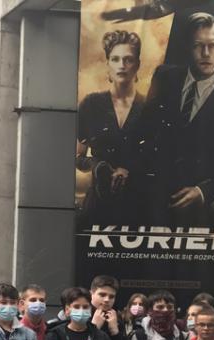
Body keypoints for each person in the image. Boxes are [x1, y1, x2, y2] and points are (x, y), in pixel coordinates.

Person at [135, 12, 214, 220]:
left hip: (193, 208)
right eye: (198, 45)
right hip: (146, 195)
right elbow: (141, 128)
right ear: (188, 46)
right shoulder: (164, 77)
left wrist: (204, 191)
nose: (206, 53)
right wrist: (125, 165)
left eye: (213, 46)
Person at [76, 30, 144, 221]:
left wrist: (130, 171)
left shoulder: (150, 108)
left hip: (139, 204)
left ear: (137, 65)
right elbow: (77, 156)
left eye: (128, 59)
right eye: (115, 59)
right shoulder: (91, 104)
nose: (122, 65)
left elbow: (159, 160)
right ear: (108, 64)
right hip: (98, 201)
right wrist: (99, 166)